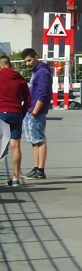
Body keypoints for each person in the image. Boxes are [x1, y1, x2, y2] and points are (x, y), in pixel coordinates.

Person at [20, 47, 51, 179]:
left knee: (39, 139)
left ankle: (40, 169)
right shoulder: (36, 71)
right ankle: (36, 167)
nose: (28, 63)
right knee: (34, 140)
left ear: (36, 57)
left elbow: (43, 93)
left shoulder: (42, 72)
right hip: (31, 109)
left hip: (36, 110)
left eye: (29, 60)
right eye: (26, 61)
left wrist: (35, 111)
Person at [0, 54, 30, 185]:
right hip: (16, 113)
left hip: (1, 113)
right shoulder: (20, 79)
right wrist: (21, 113)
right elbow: (28, 100)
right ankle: (16, 177)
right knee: (15, 146)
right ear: (10, 65)